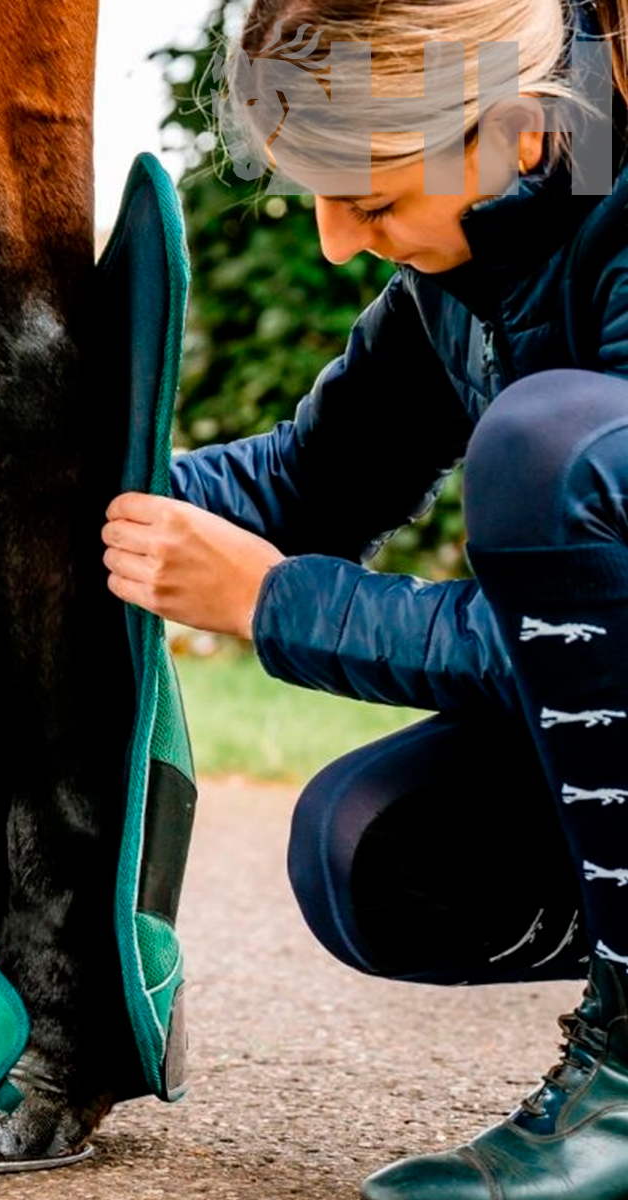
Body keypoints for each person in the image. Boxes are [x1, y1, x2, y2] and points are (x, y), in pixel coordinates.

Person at [96, 0, 628, 1196]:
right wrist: (20, 512)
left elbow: (595, 623)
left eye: (372, 199)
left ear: (520, 131)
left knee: (549, 442)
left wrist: (277, 604)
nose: (337, 245)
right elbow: (301, 483)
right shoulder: (479, 261)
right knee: (380, 853)